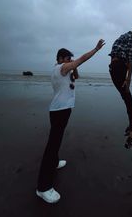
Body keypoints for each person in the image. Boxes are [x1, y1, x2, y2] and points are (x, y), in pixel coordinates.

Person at [36, 39, 105, 204]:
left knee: (56, 142)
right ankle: (43, 187)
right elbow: (81, 59)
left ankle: (54, 163)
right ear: (60, 59)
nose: (70, 62)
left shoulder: (65, 70)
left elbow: (77, 76)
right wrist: (95, 49)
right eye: (68, 59)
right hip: (59, 111)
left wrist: (75, 67)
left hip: (61, 110)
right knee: (52, 146)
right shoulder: (60, 68)